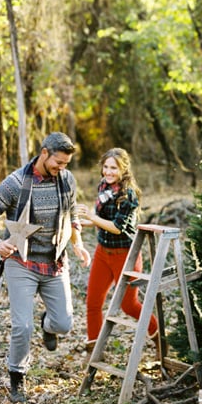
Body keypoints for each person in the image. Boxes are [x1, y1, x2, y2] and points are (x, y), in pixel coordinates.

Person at [0, 132, 91, 404]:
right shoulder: (15, 183)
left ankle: (47, 326)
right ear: (43, 153)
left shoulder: (67, 180)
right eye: (58, 162)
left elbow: (72, 214)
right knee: (22, 327)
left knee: (64, 323)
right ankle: (17, 377)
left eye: (65, 164)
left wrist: (78, 244)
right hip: (21, 263)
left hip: (55, 263)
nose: (61, 168)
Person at [76, 147, 158, 352]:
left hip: (126, 256)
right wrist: (80, 222)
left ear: (123, 170)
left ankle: (159, 339)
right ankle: (94, 351)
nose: (109, 171)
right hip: (103, 252)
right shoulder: (103, 186)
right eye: (106, 166)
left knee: (128, 306)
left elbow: (117, 227)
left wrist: (92, 217)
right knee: (93, 303)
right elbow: (102, 221)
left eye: (114, 168)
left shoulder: (128, 194)